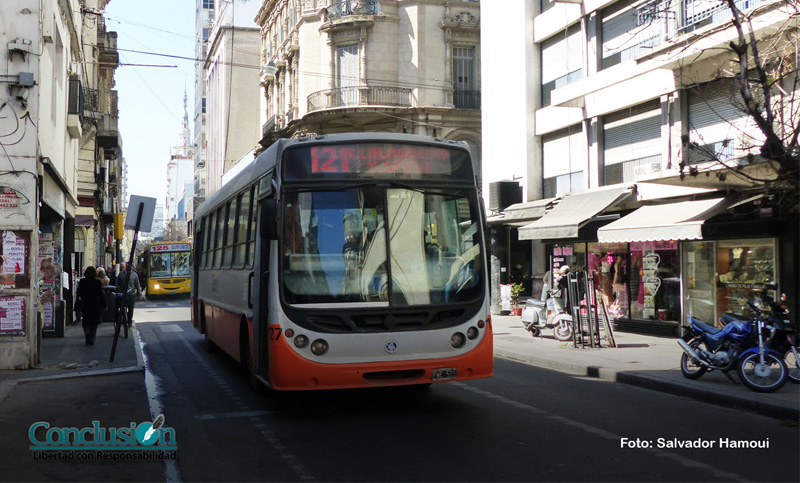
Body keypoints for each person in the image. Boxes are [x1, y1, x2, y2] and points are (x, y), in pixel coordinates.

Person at [76, 267, 106, 346]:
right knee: (94, 323)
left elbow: (79, 293)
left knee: (86, 321)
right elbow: (101, 294)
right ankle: (92, 339)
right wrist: (104, 304)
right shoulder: (97, 282)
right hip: (95, 305)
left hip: (85, 304)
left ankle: (87, 333)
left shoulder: (82, 282)